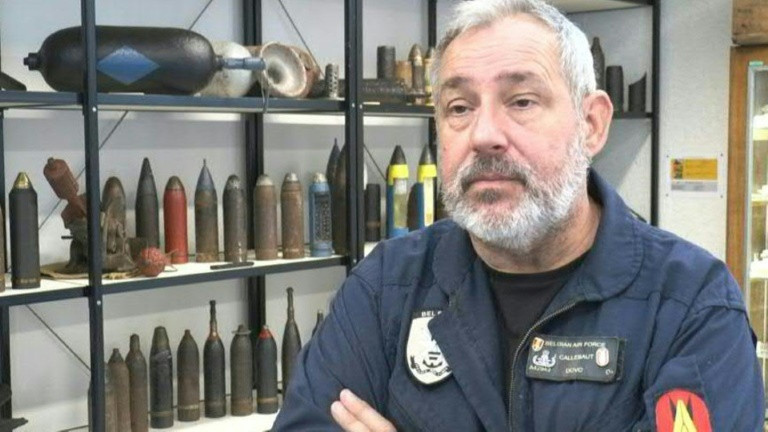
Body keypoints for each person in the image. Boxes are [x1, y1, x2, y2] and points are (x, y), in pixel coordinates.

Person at [273, 0, 765, 430]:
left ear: (592, 124)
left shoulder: (689, 305)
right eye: (459, 107)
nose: (484, 134)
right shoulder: (385, 287)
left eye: (522, 101)